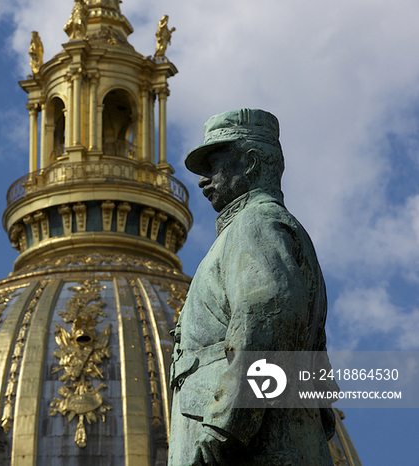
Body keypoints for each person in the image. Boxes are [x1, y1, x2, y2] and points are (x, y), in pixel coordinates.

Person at [169, 109, 338, 465]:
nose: (203, 180)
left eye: (213, 165)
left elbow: (266, 323)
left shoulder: (254, 224)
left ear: (249, 163)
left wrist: (223, 429)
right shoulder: (263, 226)